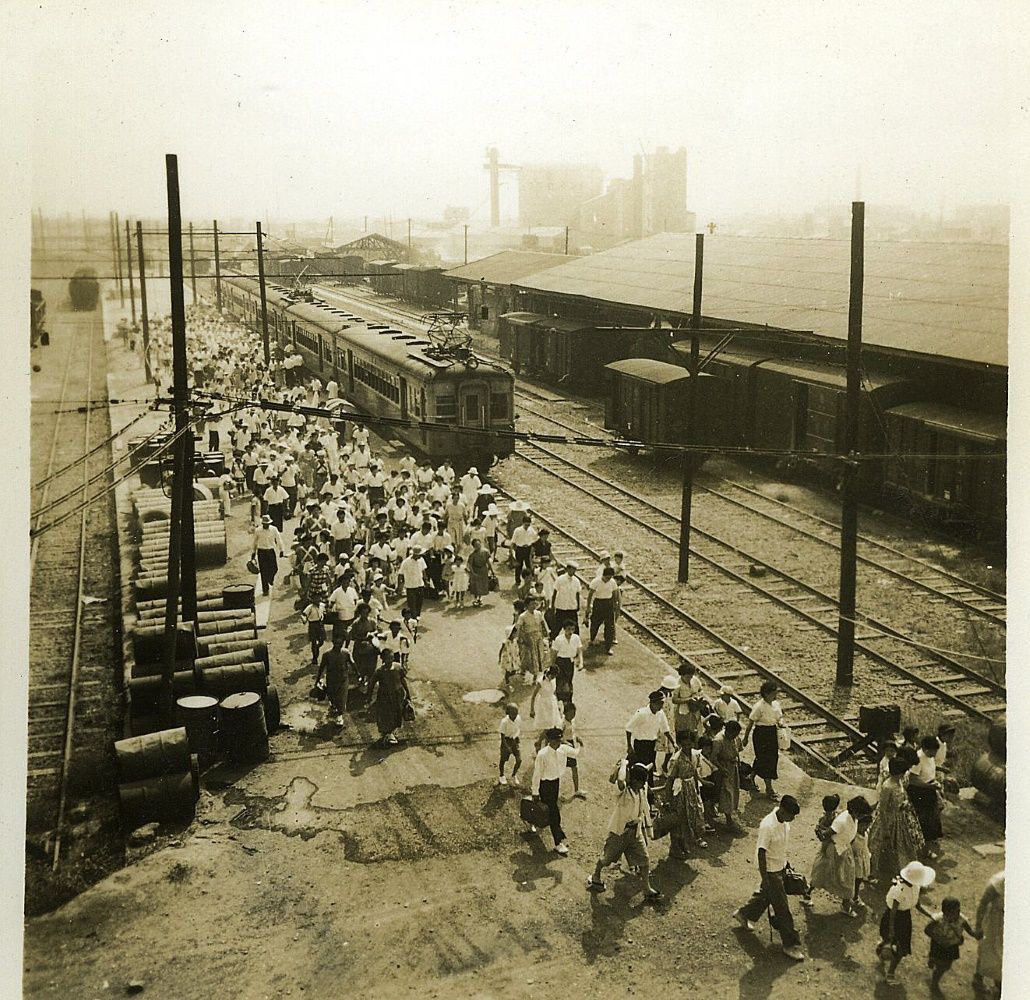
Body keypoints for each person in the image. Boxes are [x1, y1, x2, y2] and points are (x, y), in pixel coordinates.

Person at [733, 795, 806, 961]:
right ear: (783, 809)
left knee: (766, 897)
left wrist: (786, 864)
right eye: (791, 815)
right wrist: (764, 877)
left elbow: (780, 847)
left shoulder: (784, 823)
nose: (793, 819)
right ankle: (789, 945)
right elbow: (761, 852)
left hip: (780, 867)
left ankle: (743, 914)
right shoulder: (768, 825)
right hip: (771, 872)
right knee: (782, 909)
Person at [586, 761, 663, 901]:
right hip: (620, 832)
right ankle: (595, 875)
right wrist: (624, 764)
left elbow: (649, 786)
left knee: (644, 859)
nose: (643, 784)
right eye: (641, 782)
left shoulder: (641, 790)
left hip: (635, 832)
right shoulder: (623, 791)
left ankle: (646, 888)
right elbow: (621, 780)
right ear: (634, 780)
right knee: (607, 858)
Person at [808, 795, 873, 916]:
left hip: (844, 850)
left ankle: (845, 904)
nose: (862, 816)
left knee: (846, 878)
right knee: (822, 874)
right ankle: (807, 894)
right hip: (834, 850)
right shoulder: (842, 821)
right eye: (861, 813)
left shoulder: (854, 818)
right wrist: (819, 830)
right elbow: (824, 835)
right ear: (855, 811)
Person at [877, 860, 936, 985]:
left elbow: (918, 905)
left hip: (905, 919)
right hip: (893, 919)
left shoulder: (915, 887)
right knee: (899, 949)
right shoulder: (899, 890)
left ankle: (882, 948)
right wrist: (892, 929)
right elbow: (893, 912)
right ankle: (890, 974)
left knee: (899, 946)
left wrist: (930, 915)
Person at [868, 756, 926, 881]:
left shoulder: (899, 781)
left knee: (902, 846)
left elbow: (902, 795)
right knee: (878, 846)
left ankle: (903, 872)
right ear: (899, 772)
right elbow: (882, 809)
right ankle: (872, 872)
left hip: (900, 818)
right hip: (887, 820)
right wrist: (885, 828)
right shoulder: (887, 786)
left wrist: (904, 803)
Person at [530, 727, 578, 856]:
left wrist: (580, 743)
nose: (558, 742)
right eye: (555, 740)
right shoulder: (542, 754)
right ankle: (558, 842)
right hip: (545, 785)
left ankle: (532, 821)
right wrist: (535, 791)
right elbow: (537, 774)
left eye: (559, 739)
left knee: (545, 809)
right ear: (549, 740)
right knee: (553, 812)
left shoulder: (563, 749)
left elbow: (576, 753)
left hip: (555, 783)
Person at [660, 731, 707, 860]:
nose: (687, 747)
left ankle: (684, 844)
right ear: (680, 744)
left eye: (689, 744)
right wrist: (668, 799)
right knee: (678, 820)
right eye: (684, 744)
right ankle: (674, 848)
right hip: (679, 791)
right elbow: (669, 781)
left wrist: (697, 788)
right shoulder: (675, 759)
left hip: (691, 789)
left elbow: (695, 773)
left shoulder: (695, 755)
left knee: (691, 817)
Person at [924, 896, 979, 993]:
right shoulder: (938, 919)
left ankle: (934, 962)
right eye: (953, 912)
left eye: (958, 910)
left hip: (952, 946)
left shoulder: (961, 919)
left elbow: (969, 930)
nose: (957, 914)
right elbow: (927, 930)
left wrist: (975, 934)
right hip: (938, 945)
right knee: (940, 964)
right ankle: (935, 981)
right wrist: (937, 938)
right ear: (945, 912)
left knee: (947, 965)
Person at [742, 680, 783, 800]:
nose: (775, 696)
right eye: (773, 693)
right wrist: (745, 738)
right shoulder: (759, 706)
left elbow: (779, 717)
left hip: (772, 733)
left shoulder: (776, 704)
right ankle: (769, 789)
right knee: (765, 759)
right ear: (766, 693)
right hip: (761, 734)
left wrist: (780, 723)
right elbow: (750, 723)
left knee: (771, 757)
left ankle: (751, 776)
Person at [907, 735, 944, 860]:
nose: (934, 754)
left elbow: (930, 770)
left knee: (933, 817)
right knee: (923, 821)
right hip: (919, 792)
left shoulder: (929, 757)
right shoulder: (918, 758)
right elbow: (912, 779)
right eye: (931, 751)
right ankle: (924, 848)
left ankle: (929, 842)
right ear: (925, 749)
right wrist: (928, 786)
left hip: (930, 788)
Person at [625, 690, 672, 780]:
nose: (661, 707)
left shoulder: (660, 713)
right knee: (638, 768)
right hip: (640, 745)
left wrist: (673, 743)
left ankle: (648, 789)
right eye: (660, 704)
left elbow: (665, 729)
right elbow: (628, 728)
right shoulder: (641, 713)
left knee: (649, 767)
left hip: (651, 745)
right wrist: (629, 746)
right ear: (653, 703)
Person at [367, 651, 410, 747]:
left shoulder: (398, 667)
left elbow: (403, 680)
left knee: (397, 712)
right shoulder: (379, 671)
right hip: (384, 696)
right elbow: (371, 684)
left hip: (397, 695)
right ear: (383, 659)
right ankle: (388, 733)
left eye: (391, 658)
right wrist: (369, 696)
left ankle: (390, 733)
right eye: (387, 658)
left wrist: (408, 694)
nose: (390, 660)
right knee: (386, 714)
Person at [710, 719, 745, 834]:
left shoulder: (735, 738)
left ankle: (724, 813)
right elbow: (713, 758)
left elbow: (738, 750)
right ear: (727, 731)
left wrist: (738, 762)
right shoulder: (718, 740)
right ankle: (728, 820)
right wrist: (722, 768)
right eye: (733, 734)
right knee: (726, 793)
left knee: (733, 791)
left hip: (732, 767)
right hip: (723, 769)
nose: (735, 736)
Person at [973, 870, 1004, 998]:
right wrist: (978, 926)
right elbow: (983, 903)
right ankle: (979, 978)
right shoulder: (999, 881)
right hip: (995, 921)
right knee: (989, 950)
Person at [550, 619, 583, 709]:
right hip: (560, 662)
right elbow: (553, 653)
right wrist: (552, 665)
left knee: (568, 681)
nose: (570, 632)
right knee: (560, 682)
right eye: (568, 629)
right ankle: (559, 702)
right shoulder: (559, 639)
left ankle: (568, 701)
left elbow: (579, 651)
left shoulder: (576, 638)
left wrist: (581, 662)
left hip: (570, 662)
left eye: (572, 629)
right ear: (564, 629)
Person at [586, 565, 618, 655]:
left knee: (609, 626)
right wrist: (588, 606)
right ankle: (592, 639)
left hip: (608, 604)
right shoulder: (596, 581)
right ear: (604, 575)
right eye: (607, 577)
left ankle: (608, 647)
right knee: (595, 623)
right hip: (598, 604)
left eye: (610, 577)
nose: (609, 579)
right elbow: (590, 595)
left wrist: (615, 604)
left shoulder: (612, 582)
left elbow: (615, 593)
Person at [252, 513, 286, 595]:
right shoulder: (258, 531)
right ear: (262, 523)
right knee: (263, 571)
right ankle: (265, 589)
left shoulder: (274, 529)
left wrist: (281, 550)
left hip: (270, 551)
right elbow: (254, 542)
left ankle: (270, 579)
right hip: (261, 551)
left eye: (267, 524)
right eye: (265, 524)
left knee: (274, 568)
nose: (266, 525)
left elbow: (279, 539)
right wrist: (253, 552)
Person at [321, 640, 352, 725]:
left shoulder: (346, 653)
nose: (338, 646)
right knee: (332, 696)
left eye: (340, 644)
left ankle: (340, 716)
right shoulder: (327, 654)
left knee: (342, 698)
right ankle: (334, 705)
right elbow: (322, 667)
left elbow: (352, 663)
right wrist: (318, 680)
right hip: (331, 680)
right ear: (333, 643)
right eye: (336, 643)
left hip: (343, 679)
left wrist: (358, 674)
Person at [529, 664, 564, 737]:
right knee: (546, 727)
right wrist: (532, 709)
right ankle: (540, 741)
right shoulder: (540, 681)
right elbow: (533, 696)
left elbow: (554, 693)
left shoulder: (554, 680)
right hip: (544, 705)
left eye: (555, 676)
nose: (553, 678)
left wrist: (557, 704)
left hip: (552, 703)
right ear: (549, 673)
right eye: (553, 676)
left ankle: (548, 742)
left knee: (554, 725)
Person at [560, 702, 585, 799]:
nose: (573, 716)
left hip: (571, 746)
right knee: (560, 770)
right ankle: (558, 793)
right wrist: (565, 742)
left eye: (574, 713)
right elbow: (559, 737)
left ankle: (576, 790)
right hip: (564, 748)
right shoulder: (562, 723)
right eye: (571, 714)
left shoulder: (572, 722)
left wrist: (578, 739)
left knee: (574, 767)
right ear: (565, 713)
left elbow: (573, 733)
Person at [550, 562, 582, 637]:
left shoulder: (576, 581)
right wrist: (552, 605)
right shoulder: (560, 579)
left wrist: (578, 605)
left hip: (572, 607)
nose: (573, 571)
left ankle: (575, 643)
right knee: (557, 627)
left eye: (574, 570)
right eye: (571, 569)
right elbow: (554, 592)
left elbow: (577, 593)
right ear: (567, 569)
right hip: (561, 607)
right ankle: (552, 641)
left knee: (575, 627)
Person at [398, 545, 427, 618]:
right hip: (410, 587)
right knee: (412, 605)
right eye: (419, 554)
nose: (421, 556)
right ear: (415, 554)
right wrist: (399, 587)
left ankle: (416, 618)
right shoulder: (406, 562)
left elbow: (423, 571)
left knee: (419, 604)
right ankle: (412, 619)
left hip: (420, 585)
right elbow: (400, 574)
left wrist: (426, 581)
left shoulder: (421, 560)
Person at [498, 703, 523, 786]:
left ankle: (513, 775)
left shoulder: (518, 718)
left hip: (514, 740)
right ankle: (501, 775)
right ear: (508, 713)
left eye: (516, 713)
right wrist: (507, 747)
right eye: (513, 713)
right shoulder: (504, 722)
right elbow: (502, 737)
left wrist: (517, 739)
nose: (515, 715)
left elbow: (518, 729)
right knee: (503, 759)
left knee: (519, 760)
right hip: (506, 741)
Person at [510, 515, 538, 585]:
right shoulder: (517, 530)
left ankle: (529, 580)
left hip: (528, 549)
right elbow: (513, 542)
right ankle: (517, 580)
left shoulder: (531, 529)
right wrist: (512, 552)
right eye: (526, 525)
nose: (527, 526)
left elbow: (535, 537)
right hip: (520, 549)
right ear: (523, 523)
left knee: (529, 565)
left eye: (528, 525)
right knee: (519, 566)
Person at [467, 538, 492, 608]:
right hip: (476, 570)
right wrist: (472, 573)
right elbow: (470, 565)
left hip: (483, 570)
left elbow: (488, 561)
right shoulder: (472, 555)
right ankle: (476, 599)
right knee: (475, 586)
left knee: (482, 585)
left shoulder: (485, 552)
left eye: (479, 544)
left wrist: (491, 570)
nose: (478, 546)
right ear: (473, 546)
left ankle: (480, 599)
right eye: (476, 545)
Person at [301, 599, 326, 666]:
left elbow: (324, 612)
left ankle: (316, 649)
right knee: (314, 642)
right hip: (313, 625)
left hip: (320, 624)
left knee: (322, 641)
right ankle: (315, 658)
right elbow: (303, 614)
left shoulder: (322, 605)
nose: (317, 600)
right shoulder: (310, 607)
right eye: (315, 598)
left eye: (318, 598)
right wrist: (304, 619)